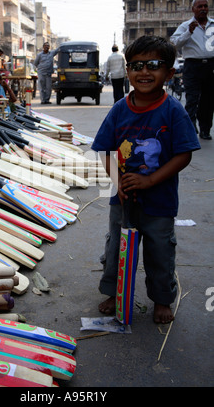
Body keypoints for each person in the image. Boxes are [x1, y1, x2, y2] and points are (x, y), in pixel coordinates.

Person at [91, 36, 200, 324]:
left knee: (160, 252)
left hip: (159, 201)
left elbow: (184, 155)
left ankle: (162, 299)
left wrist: (150, 181)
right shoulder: (119, 109)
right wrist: (118, 181)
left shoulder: (172, 110)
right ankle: (115, 293)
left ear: (170, 73)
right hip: (123, 200)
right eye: (136, 65)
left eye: (153, 65)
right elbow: (105, 150)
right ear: (127, 71)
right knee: (117, 249)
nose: (144, 72)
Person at [170, 0, 214, 140]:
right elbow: (175, 43)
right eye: (199, 6)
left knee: (208, 100)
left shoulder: (213, 24)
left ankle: (205, 130)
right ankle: (189, 129)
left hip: (210, 66)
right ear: (193, 9)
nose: (203, 9)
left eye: (205, 6)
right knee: (192, 99)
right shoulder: (185, 26)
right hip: (192, 66)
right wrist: (189, 32)